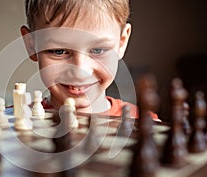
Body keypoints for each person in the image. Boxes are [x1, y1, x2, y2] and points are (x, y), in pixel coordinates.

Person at [20, 0, 156, 119]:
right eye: (59, 51)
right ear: (31, 45)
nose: (80, 72)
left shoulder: (147, 124)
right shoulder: (12, 120)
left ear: (121, 42)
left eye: (98, 50)